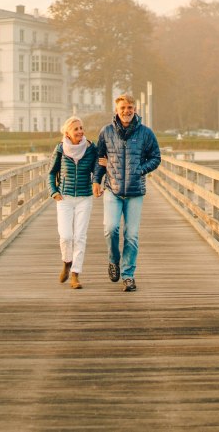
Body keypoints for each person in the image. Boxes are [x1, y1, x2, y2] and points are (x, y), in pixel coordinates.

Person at [93, 94, 161, 292]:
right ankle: (113, 260)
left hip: (135, 191)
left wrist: (140, 169)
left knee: (131, 235)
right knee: (110, 228)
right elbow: (100, 158)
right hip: (112, 190)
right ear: (116, 110)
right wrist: (96, 180)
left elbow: (156, 157)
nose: (126, 111)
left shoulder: (145, 133)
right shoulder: (106, 132)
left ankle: (128, 275)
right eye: (123, 107)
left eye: (130, 107)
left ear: (135, 109)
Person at [49, 116, 97, 289]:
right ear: (67, 132)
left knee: (80, 237)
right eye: (76, 129)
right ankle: (66, 262)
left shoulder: (91, 148)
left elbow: (97, 169)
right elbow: (51, 172)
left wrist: (97, 180)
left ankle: (75, 274)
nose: (80, 131)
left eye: (81, 128)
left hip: (84, 197)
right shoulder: (60, 149)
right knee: (66, 236)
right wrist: (53, 192)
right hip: (65, 198)